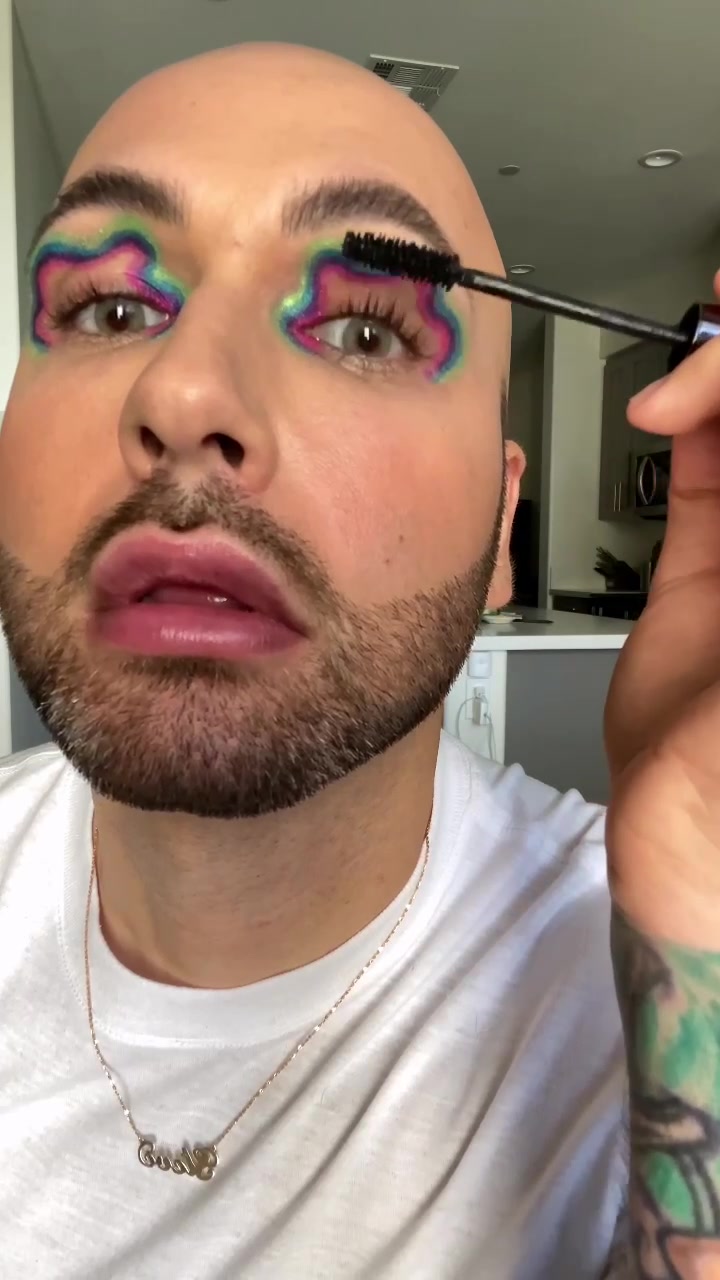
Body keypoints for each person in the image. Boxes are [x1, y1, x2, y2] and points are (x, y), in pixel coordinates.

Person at [0, 40, 718, 1280]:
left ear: (501, 527)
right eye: (112, 309)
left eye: (365, 330)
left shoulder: (647, 981)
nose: (184, 393)